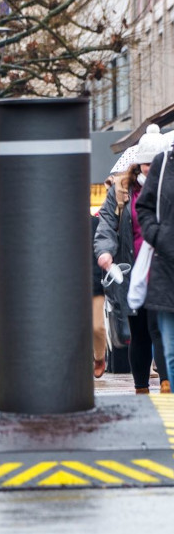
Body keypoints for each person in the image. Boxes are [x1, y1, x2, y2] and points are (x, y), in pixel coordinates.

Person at [98, 125, 171, 394]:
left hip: (163, 271)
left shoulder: (170, 187)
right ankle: (141, 388)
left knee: (159, 329)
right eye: (144, 164)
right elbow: (106, 225)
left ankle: (166, 383)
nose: (149, 169)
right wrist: (105, 251)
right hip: (132, 274)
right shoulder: (121, 191)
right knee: (139, 332)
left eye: (154, 164)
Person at [135, 130, 174, 391]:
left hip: (160, 271)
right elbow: (144, 209)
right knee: (167, 350)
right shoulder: (164, 164)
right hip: (160, 272)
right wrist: (157, 235)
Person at [91, 211, 107, 378]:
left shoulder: (96, 224)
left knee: (97, 326)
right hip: (69, 285)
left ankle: (99, 357)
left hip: (94, 282)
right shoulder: (60, 224)